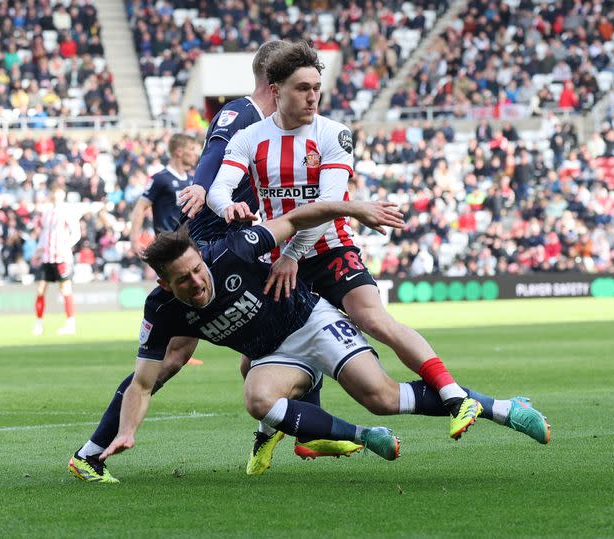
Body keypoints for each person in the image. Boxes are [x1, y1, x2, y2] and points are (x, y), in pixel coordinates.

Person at [68, 40, 361, 483]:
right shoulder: (241, 113)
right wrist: (204, 188)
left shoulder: (277, 127)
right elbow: (214, 153)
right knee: (177, 355)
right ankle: (91, 452)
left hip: (232, 234)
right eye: (299, 83)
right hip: (216, 241)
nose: (309, 95)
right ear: (274, 81)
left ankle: (294, 425)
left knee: (277, 323)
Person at [96, 200, 550, 477]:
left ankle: (506, 409)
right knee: (256, 398)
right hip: (274, 355)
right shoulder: (161, 309)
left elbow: (296, 218)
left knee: (382, 395)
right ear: (164, 284)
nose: (197, 282)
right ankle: (362, 437)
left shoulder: (234, 251)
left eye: (197, 270)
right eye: (184, 280)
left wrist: (354, 210)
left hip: (310, 321)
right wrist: (128, 432)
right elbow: (142, 381)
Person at [206, 41, 486, 448]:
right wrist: (228, 207)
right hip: (279, 260)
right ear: (276, 89)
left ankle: (455, 396)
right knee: (252, 358)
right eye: (302, 87)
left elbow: (325, 208)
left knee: (374, 320)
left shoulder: (333, 133)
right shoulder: (250, 138)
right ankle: (272, 430)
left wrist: (290, 256)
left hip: (327, 248)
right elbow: (218, 189)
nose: (312, 96)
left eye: (317, 86)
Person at [128, 133, 200, 254]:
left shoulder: (193, 180)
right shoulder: (160, 179)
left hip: (190, 244)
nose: (195, 154)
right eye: (192, 149)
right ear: (179, 152)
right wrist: (134, 240)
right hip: (168, 246)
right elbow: (140, 207)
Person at [32, 185, 81, 336]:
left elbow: (76, 233)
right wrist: (38, 251)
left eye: (59, 195)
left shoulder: (67, 211)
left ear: (63, 195)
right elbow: (44, 234)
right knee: (40, 290)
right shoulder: (46, 213)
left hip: (61, 258)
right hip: (47, 257)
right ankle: (39, 324)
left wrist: (66, 246)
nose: (56, 197)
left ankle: (70, 323)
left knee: (65, 289)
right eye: (54, 194)